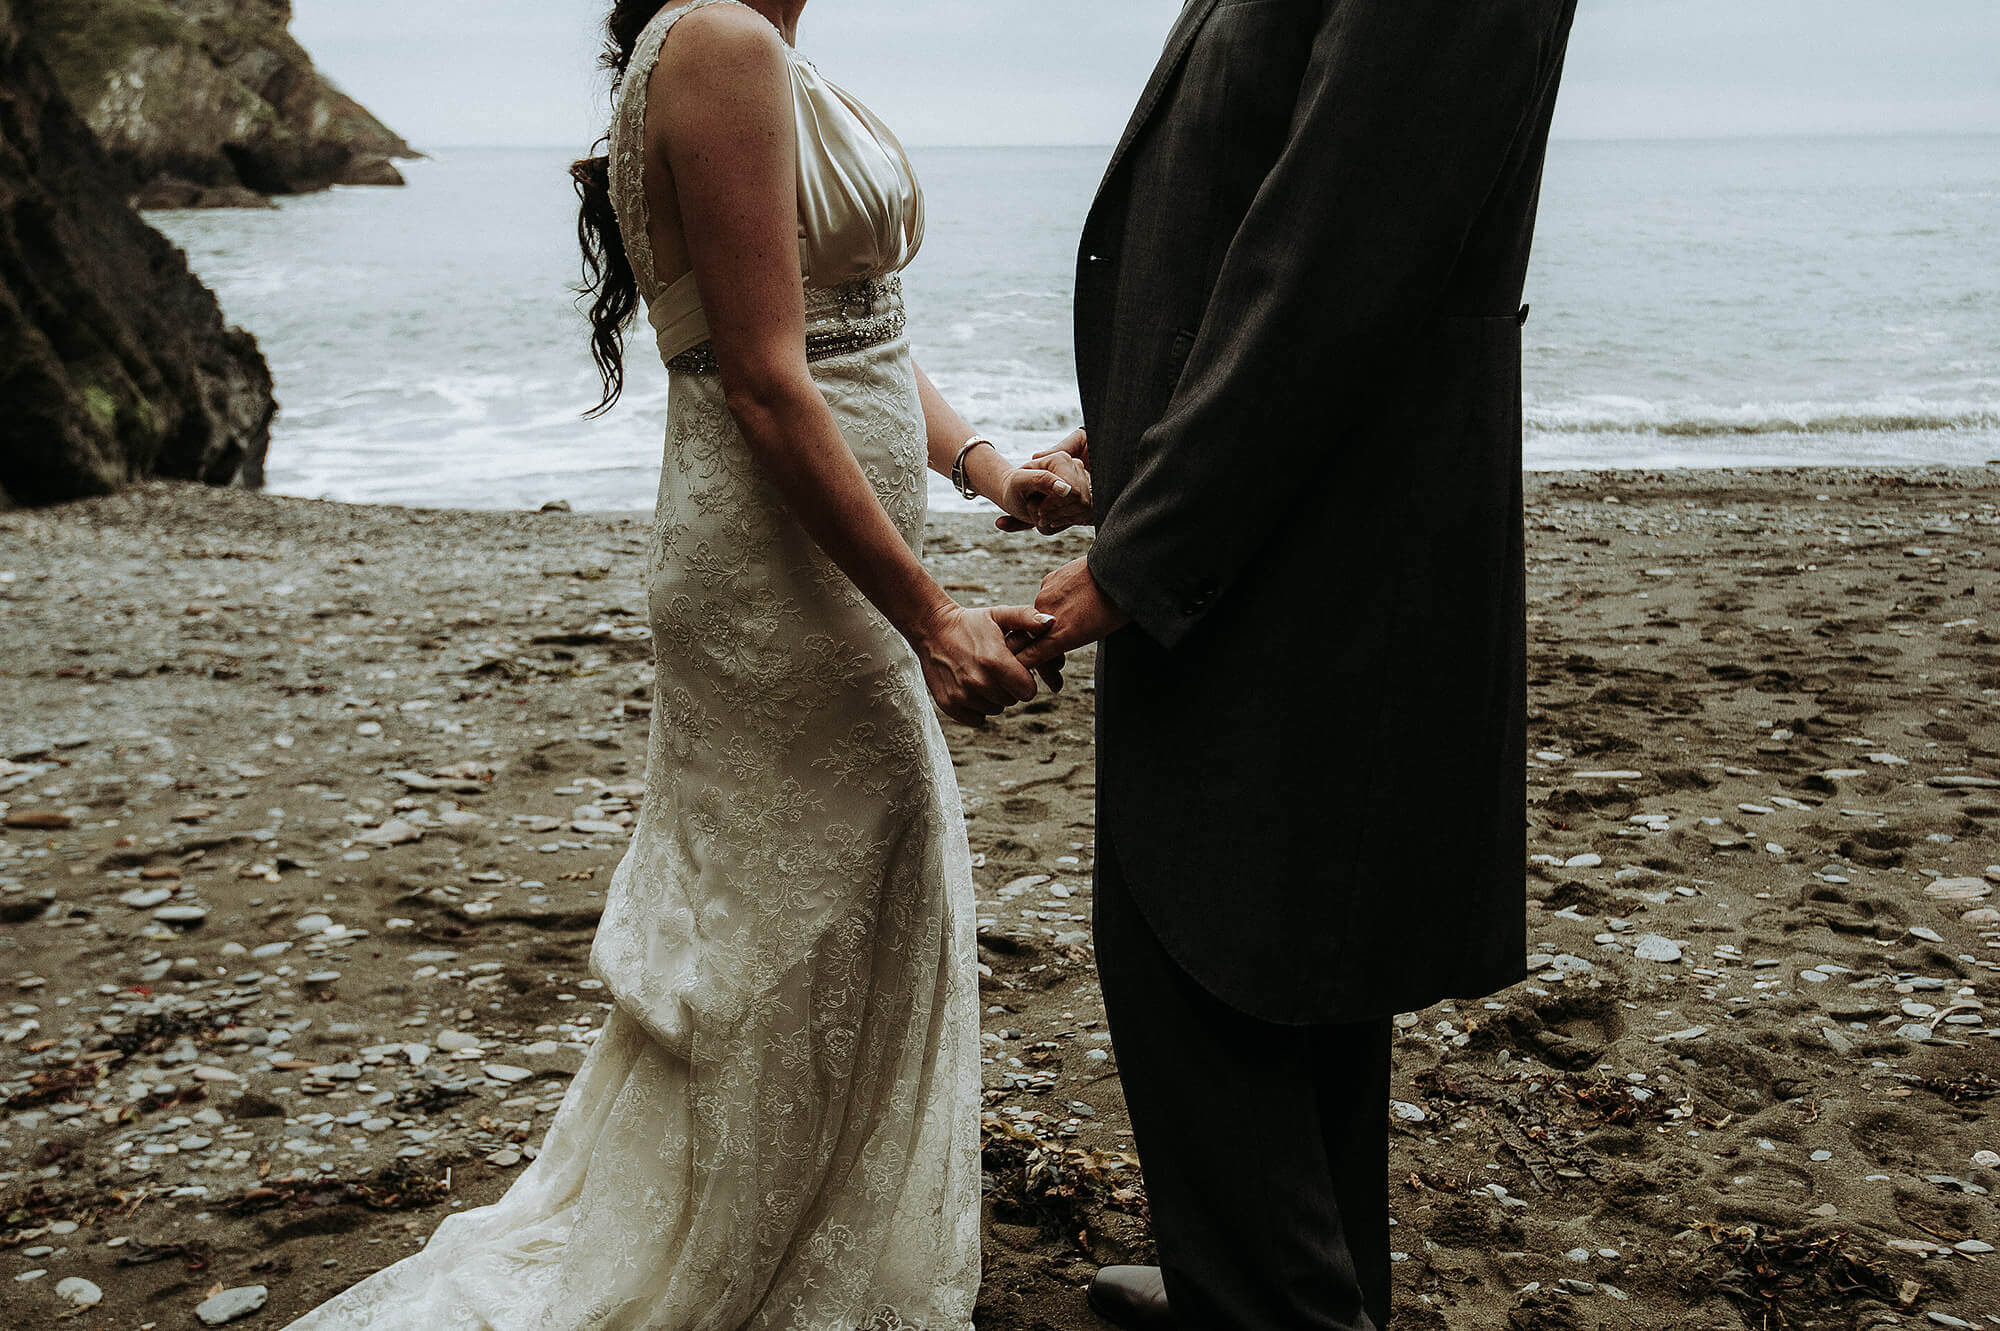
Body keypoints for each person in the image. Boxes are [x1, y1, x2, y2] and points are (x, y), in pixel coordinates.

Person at [280, 2, 1090, 1327]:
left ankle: (799, 1229)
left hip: (823, 559)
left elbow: (851, 332)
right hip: (780, 575)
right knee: (790, 905)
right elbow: (767, 383)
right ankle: (736, 1257)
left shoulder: (752, 46)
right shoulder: (718, 40)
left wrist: (987, 464)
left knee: (855, 885)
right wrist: (933, 616)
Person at [1012, 2, 1581, 1328]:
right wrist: (1139, 437)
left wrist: (1144, 552)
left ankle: (1273, 1298)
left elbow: (1338, 261)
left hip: (1309, 552)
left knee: (1209, 948)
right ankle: (1286, 1281)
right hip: (1284, 528)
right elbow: (1265, 216)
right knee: (1280, 961)